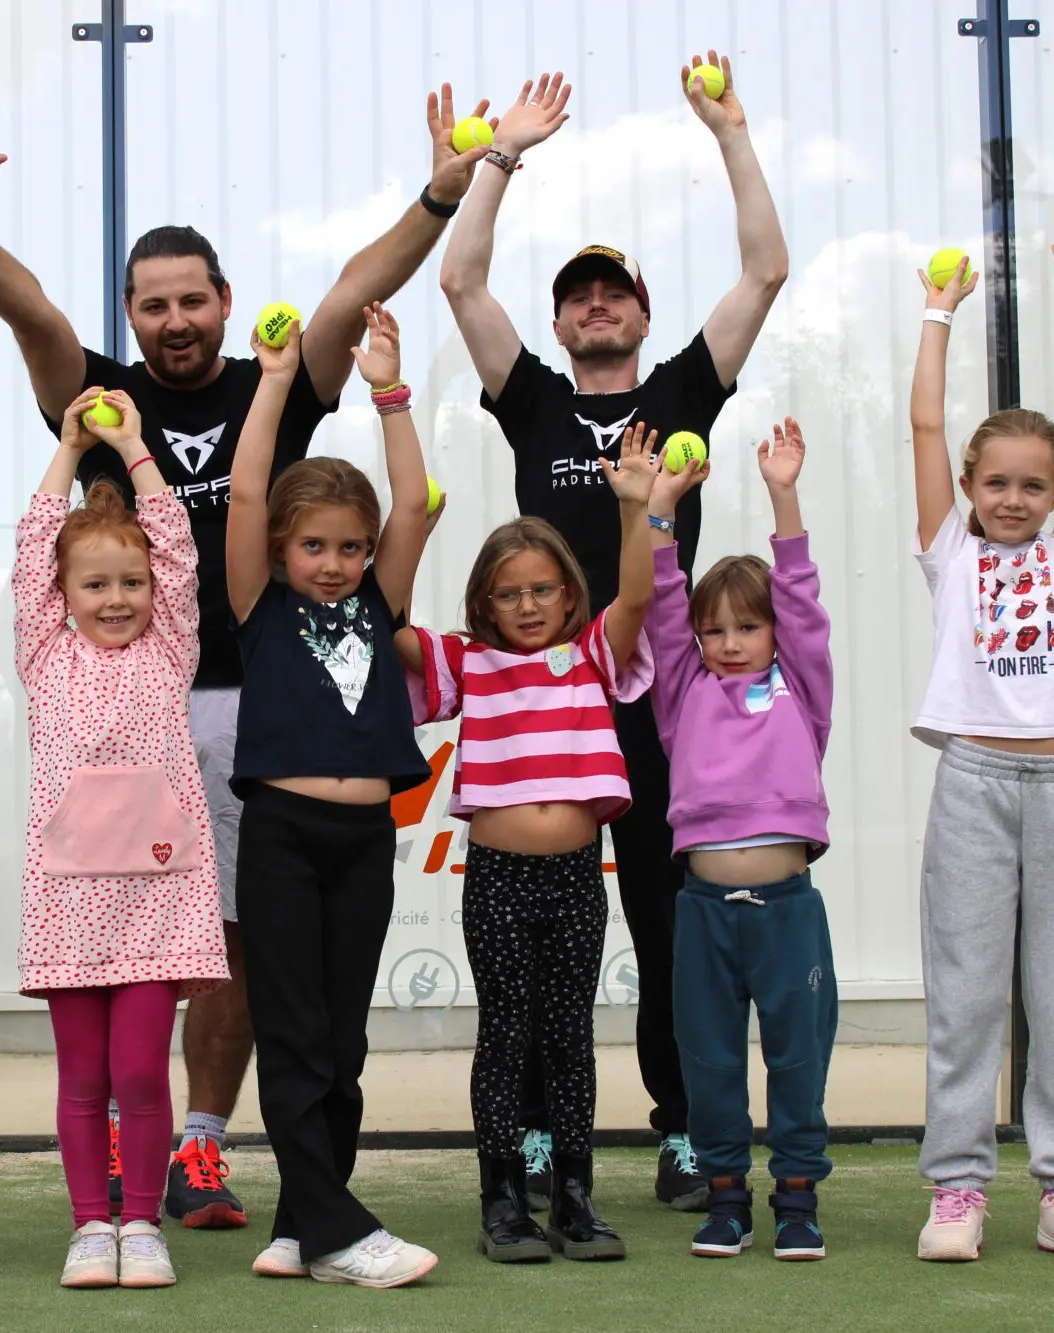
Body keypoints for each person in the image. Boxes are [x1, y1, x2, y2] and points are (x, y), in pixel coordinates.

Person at [0, 94, 494, 1226]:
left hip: (261, 711)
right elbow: (29, 318)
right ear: (131, 312)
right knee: (130, 946)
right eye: (153, 305)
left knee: (229, 946)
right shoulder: (100, 395)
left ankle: (199, 1146)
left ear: (222, 302)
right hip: (129, 725)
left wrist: (441, 192)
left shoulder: (276, 380)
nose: (174, 321)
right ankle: (125, 1144)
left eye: (191, 301)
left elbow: (351, 289)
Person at [437, 60, 788, 1210]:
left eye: (614, 294)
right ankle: (535, 1148)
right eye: (578, 295)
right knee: (537, 947)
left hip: (659, 704)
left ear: (638, 312)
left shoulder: (683, 391)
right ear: (557, 320)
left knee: (669, 926)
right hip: (545, 709)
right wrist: (499, 158)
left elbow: (764, 271)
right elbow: (459, 280)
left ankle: (685, 1133)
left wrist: (730, 133)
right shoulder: (532, 399)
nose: (596, 306)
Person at [908, 244, 1054, 1264]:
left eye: (1029, 485)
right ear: (966, 485)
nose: (1009, 498)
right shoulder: (949, 548)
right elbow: (921, 422)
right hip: (974, 783)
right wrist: (936, 313)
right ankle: (956, 1189)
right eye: (992, 482)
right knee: (963, 993)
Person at [398, 428, 659, 1264]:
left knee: (570, 1033)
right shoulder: (469, 663)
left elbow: (641, 599)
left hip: (578, 875)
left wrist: (634, 508)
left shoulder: (588, 656)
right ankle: (502, 1197)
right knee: (506, 1032)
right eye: (509, 593)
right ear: (485, 603)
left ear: (570, 595)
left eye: (544, 589)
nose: (529, 605)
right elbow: (392, 620)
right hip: (500, 878)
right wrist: (414, 530)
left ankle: (575, 1197)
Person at [225, 305, 436, 1287]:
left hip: (361, 841)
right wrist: (273, 380)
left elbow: (415, 498)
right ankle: (341, 1230)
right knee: (294, 1033)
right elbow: (244, 487)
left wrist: (388, 390)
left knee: (339, 1040)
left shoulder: (374, 601)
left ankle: (303, 1221)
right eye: (314, 546)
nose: (336, 563)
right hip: (278, 835)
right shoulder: (256, 603)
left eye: (350, 547)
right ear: (279, 548)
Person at [12, 387, 231, 1290]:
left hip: (155, 895)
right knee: (81, 1081)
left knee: (141, 1073)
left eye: (130, 583)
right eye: (94, 584)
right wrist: (68, 449)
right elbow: (31, 549)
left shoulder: (169, 649)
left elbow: (176, 546)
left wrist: (137, 449)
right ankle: (86, 1226)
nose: (117, 598)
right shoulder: (44, 652)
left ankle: (140, 1221)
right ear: (61, 595)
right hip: (69, 895)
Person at [643, 419, 839, 1262]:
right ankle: (726, 1197)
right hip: (704, 911)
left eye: (746, 628)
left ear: (771, 637)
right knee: (712, 1064)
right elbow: (658, 607)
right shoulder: (682, 691)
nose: (729, 642)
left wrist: (782, 495)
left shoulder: (800, 686)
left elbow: (801, 606)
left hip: (788, 912)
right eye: (715, 629)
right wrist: (658, 511)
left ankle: (796, 1195)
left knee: (797, 1061)